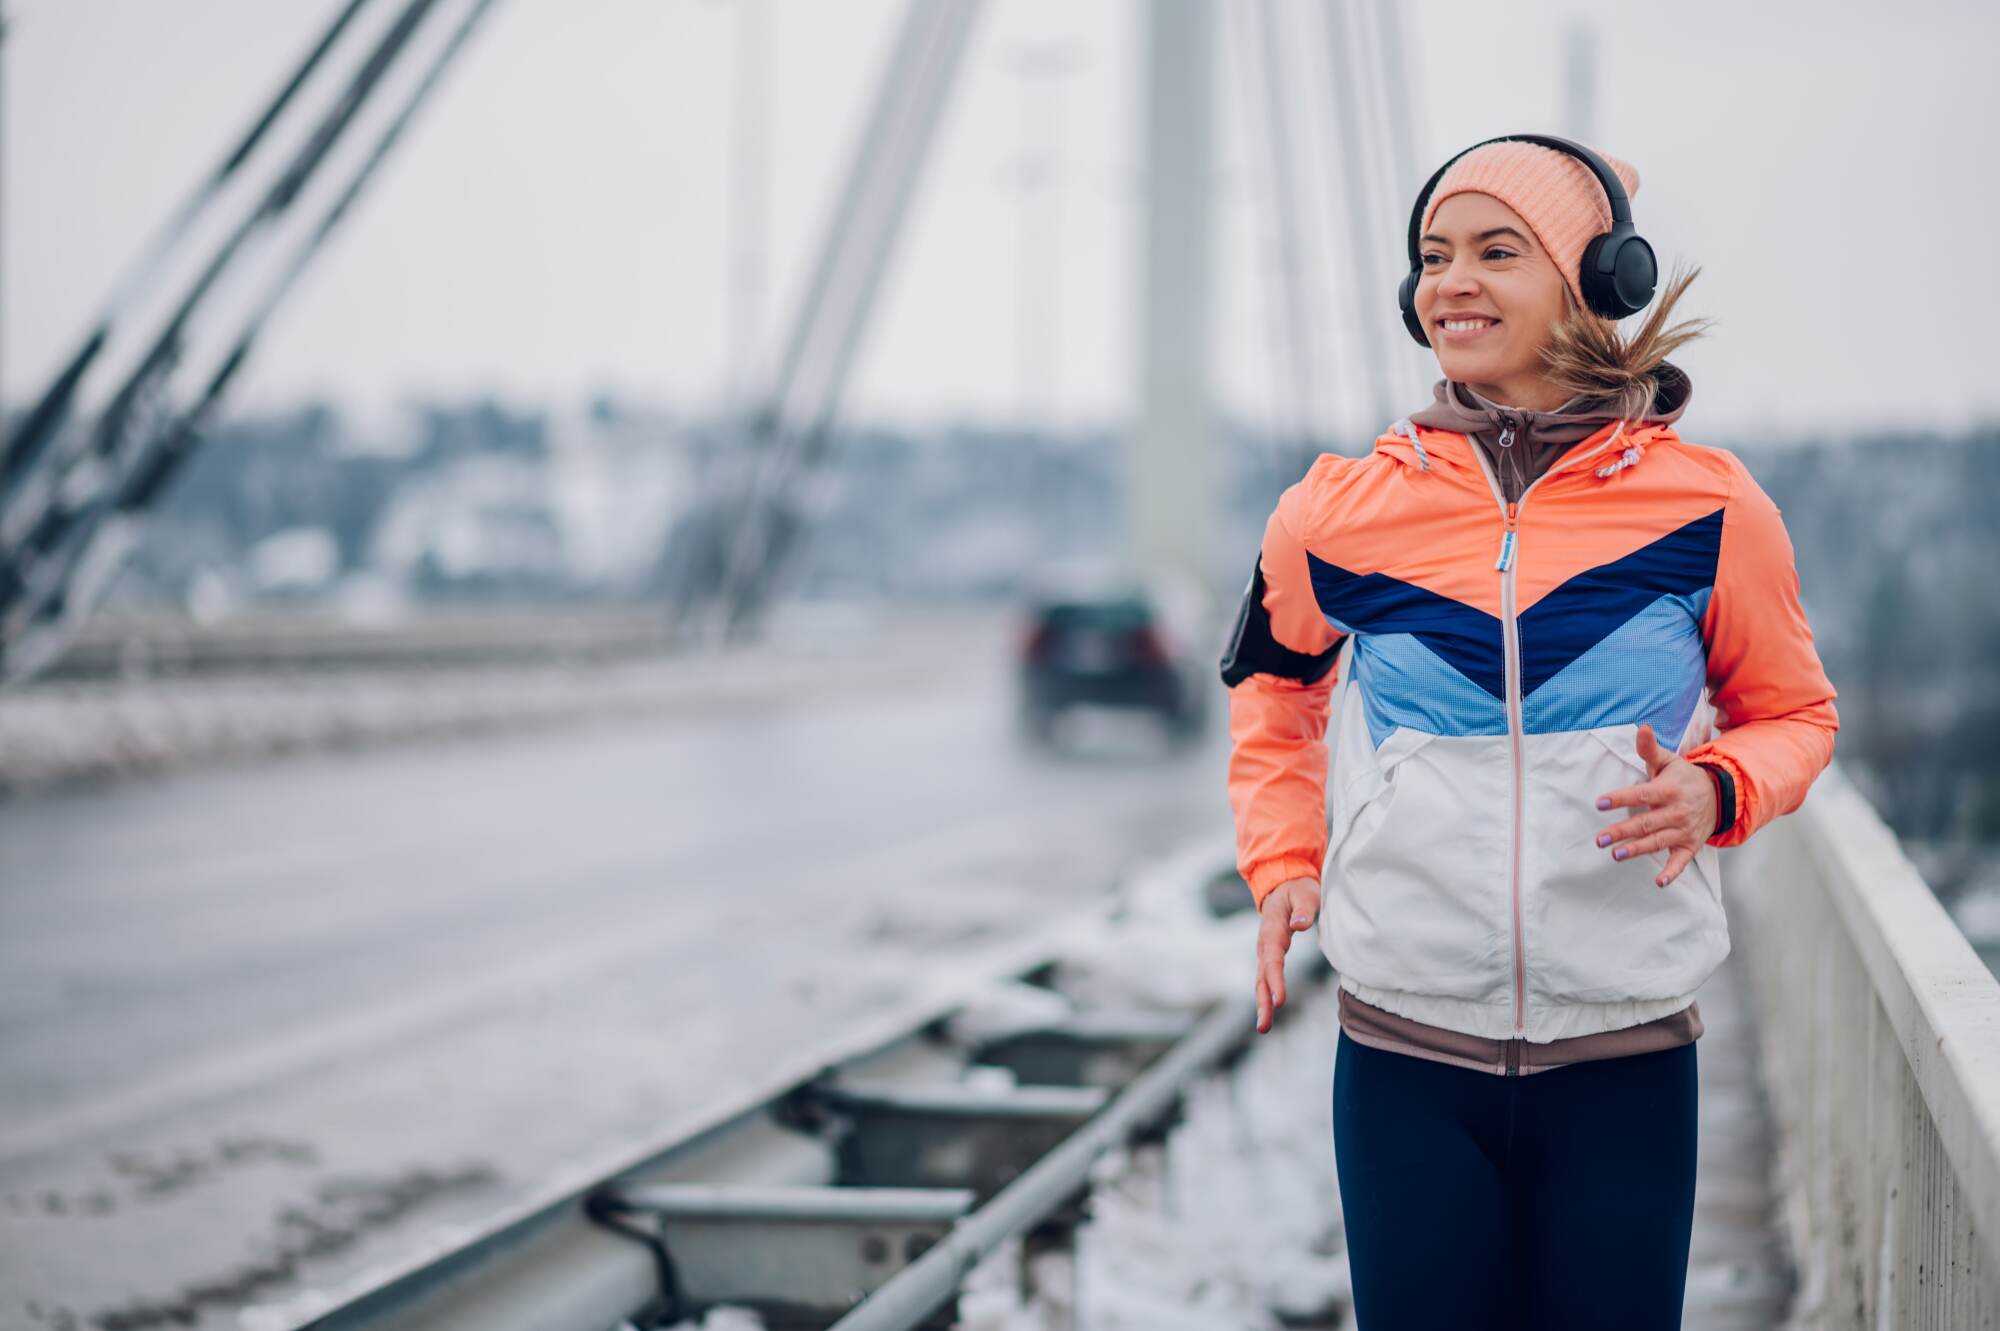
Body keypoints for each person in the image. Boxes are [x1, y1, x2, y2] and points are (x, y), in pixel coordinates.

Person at [1219, 134, 1838, 1330]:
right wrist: (1284, 860)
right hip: (1402, 1055)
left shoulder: (1709, 507)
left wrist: (1717, 788)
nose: (1449, 280)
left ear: (1596, 282)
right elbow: (1273, 690)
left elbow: (1793, 715)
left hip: (1623, 1056)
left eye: (1495, 251)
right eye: (1432, 256)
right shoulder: (1333, 513)